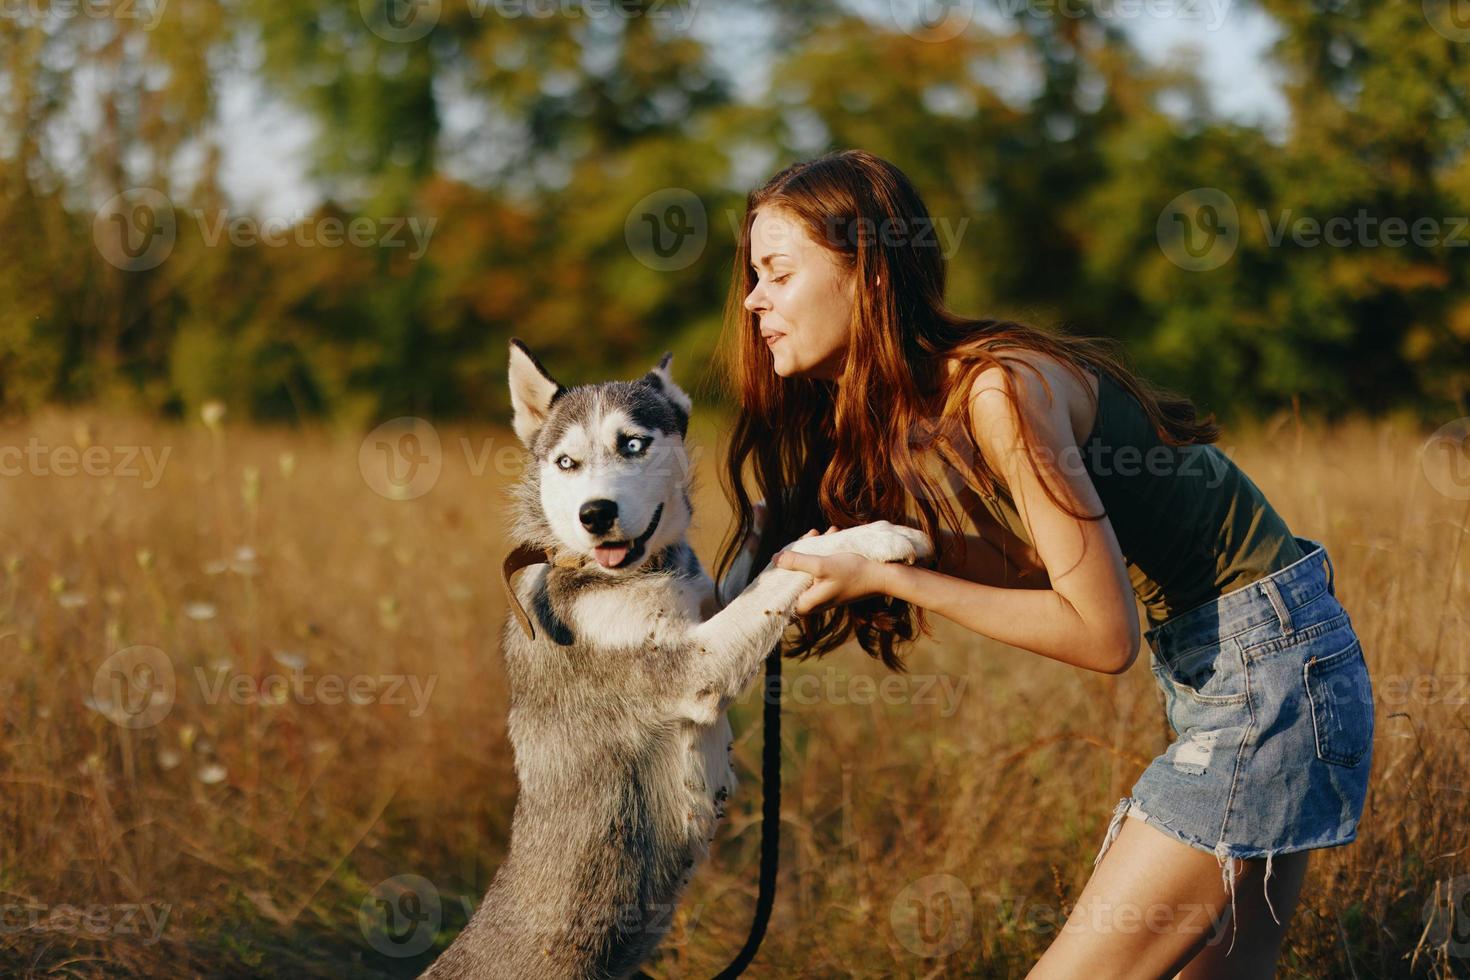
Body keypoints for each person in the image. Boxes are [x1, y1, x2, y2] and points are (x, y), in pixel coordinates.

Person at [710, 149, 1374, 978]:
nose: (753, 300)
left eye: (777, 271)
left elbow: (1102, 634)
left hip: (1266, 686)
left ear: (870, 274)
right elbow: (1052, 572)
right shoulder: (940, 402)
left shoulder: (998, 392)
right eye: (753, 274)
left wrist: (890, 575)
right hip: (1271, 669)